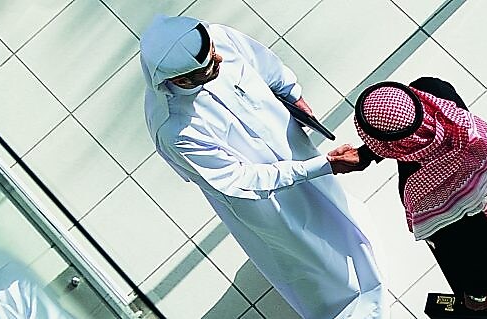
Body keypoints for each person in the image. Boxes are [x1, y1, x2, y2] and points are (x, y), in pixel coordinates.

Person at [138, 15, 384, 318]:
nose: (220, 58)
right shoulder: (174, 128)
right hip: (264, 200)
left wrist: (294, 96)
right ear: (180, 80)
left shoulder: (219, 38)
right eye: (210, 67)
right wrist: (325, 165)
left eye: (214, 52)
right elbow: (240, 179)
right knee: (313, 256)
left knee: (339, 212)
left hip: (295, 151)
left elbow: (266, 66)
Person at [335, 77, 487, 318]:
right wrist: (366, 155)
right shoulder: (435, 94)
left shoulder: (426, 191)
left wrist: (477, 293)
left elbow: (461, 247)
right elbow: (414, 132)